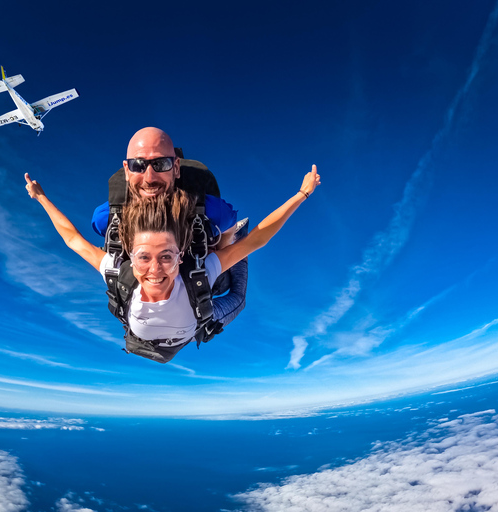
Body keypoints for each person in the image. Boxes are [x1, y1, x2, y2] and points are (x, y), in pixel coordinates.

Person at [24, 164, 321, 362]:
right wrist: (41, 199)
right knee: (237, 297)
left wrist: (302, 194)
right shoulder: (189, 274)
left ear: (181, 256)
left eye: (166, 256)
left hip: (186, 310)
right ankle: (230, 232)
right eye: (143, 257)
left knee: (238, 249)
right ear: (131, 254)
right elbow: (256, 240)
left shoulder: (174, 273)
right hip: (199, 321)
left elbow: (74, 240)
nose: (155, 270)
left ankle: (225, 235)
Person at [92, 127, 247, 330]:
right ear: (127, 170)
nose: (149, 178)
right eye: (138, 165)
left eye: (160, 164)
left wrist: (216, 251)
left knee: (233, 282)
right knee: (233, 296)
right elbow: (232, 227)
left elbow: (230, 226)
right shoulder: (107, 218)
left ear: (175, 168)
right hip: (166, 285)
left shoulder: (210, 211)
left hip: (194, 274)